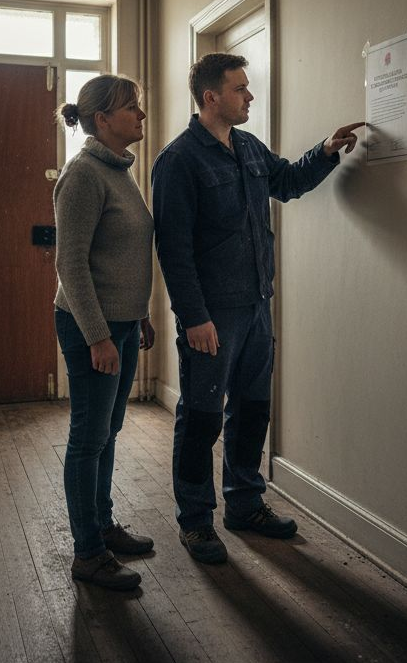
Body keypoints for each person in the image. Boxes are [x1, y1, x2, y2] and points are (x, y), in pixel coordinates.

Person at [151, 52, 364, 564]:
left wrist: (327, 152)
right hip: (212, 316)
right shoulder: (178, 161)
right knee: (201, 419)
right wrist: (194, 316)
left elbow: (286, 182)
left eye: (247, 88)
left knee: (252, 412)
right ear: (211, 97)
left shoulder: (246, 147)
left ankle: (244, 504)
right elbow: (174, 250)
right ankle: (196, 521)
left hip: (256, 306)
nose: (249, 97)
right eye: (240, 89)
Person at [53, 74, 158, 590]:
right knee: (88, 437)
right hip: (87, 323)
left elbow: (122, 253)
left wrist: (140, 313)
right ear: (102, 120)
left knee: (108, 432)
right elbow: (70, 264)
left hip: (119, 320)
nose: (140, 115)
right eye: (131, 108)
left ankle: (101, 523)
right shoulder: (83, 175)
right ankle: (88, 553)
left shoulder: (118, 170)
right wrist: (97, 336)